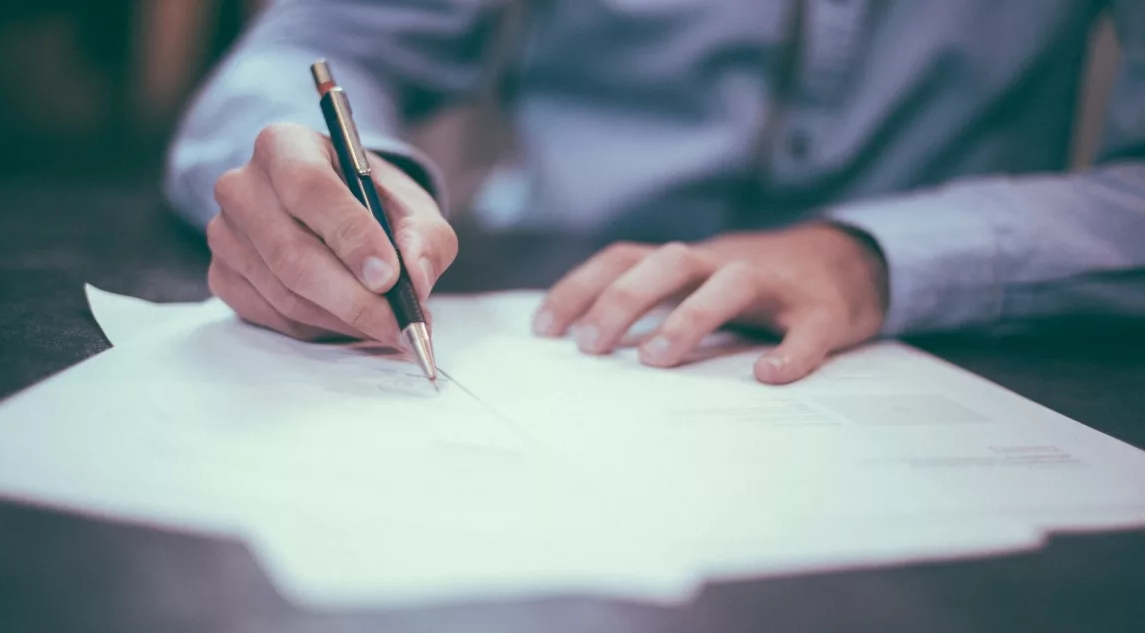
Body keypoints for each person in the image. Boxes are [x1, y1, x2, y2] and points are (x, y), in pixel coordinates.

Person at [164, 0, 1145, 385]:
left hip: (960, 351)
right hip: (548, 314)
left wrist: (872, 254)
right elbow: (306, 50)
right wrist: (348, 185)